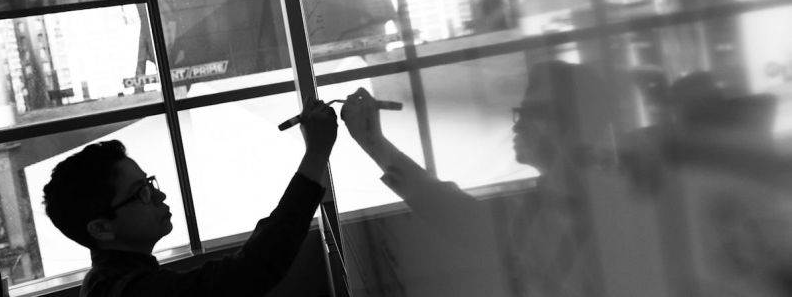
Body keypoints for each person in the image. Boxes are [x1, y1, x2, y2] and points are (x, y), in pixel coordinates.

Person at [340, 60, 612, 297]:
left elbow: (460, 216)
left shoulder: (582, 214)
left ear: (572, 125)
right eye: (521, 113)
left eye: (532, 113)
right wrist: (373, 142)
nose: (518, 124)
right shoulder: (568, 202)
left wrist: (373, 142)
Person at [42, 98, 337, 297]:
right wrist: (316, 151)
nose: (159, 194)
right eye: (141, 193)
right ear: (102, 228)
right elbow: (252, 271)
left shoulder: (107, 281)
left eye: (149, 183)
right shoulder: (131, 291)